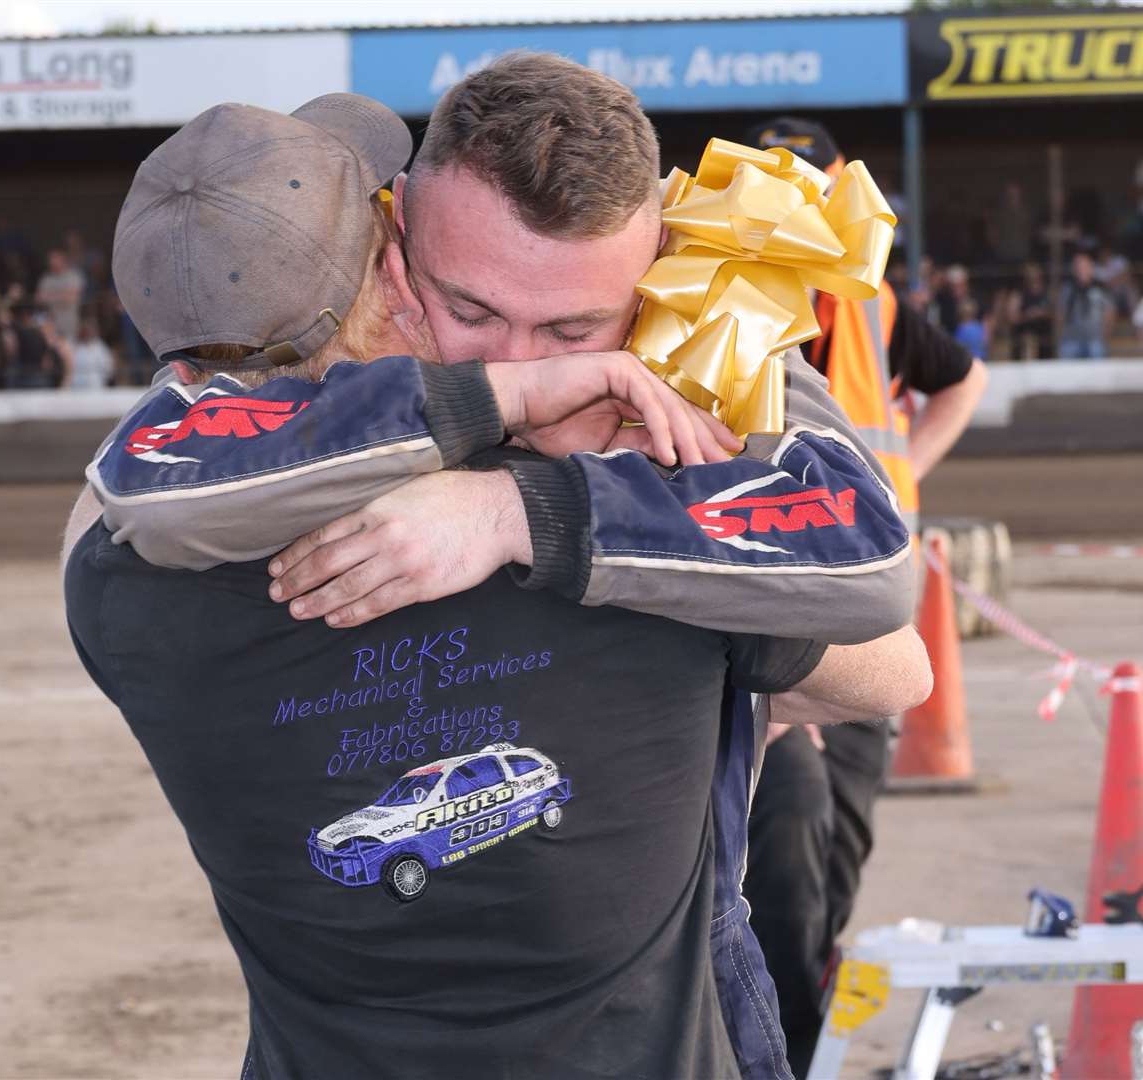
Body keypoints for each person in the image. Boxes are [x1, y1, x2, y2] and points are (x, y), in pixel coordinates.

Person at [69, 74, 925, 1080]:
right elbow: (883, 656)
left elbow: (137, 492)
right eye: (468, 308)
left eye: (571, 331)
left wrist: (483, 460)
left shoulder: (119, 582)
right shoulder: (648, 539)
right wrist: (733, 344)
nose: (524, 359)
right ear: (386, 274)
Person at [745, 114, 988, 1077]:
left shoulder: (875, 307)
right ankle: (785, 1040)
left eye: (813, 187)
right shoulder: (725, 304)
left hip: (870, 607)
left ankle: (803, 998)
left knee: (843, 831)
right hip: (778, 617)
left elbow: (961, 381)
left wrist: (908, 477)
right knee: (790, 828)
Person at [1059, 251, 1114, 360]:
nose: (1081, 270)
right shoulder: (1067, 289)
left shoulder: (1101, 288)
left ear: (1091, 268)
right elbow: (1060, 314)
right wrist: (1060, 337)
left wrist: (1105, 336)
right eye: (1078, 267)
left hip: (1095, 341)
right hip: (1071, 340)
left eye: (1084, 266)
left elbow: (1110, 313)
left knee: (1097, 374)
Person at [1007, 262, 1054, 361]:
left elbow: (1056, 313)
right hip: (1025, 330)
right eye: (1030, 275)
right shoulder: (1019, 294)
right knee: (1028, 340)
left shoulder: (1048, 292)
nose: (1033, 277)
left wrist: (1042, 313)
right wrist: (1027, 315)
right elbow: (1012, 317)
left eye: (1036, 274)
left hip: (1044, 332)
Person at [34, 248, 85, 340]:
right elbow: (38, 299)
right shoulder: (46, 279)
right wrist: (63, 294)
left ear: (62, 259)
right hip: (51, 327)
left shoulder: (73, 276)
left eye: (55, 258)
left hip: (70, 325)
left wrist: (50, 296)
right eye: (51, 259)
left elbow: (71, 298)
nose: (52, 262)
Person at [65, 316, 115, 389]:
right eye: (84, 331)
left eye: (89, 330)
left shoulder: (100, 347)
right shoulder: (72, 344)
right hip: (76, 383)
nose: (87, 333)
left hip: (95, 384)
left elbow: (108, 368)